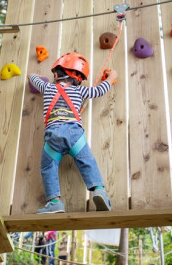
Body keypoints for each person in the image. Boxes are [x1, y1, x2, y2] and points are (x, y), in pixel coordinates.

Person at [28, 52, 117, 214]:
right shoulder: (81, 91)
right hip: (74, 134)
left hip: (53, 136)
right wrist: (111, 78)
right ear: (78, 78)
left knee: (48, 167)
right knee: (87, 161)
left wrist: (34, 75)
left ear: (57, 73)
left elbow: (32, 77)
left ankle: (55, 201)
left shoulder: (47, 87)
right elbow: (99, 91)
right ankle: (99, 190)